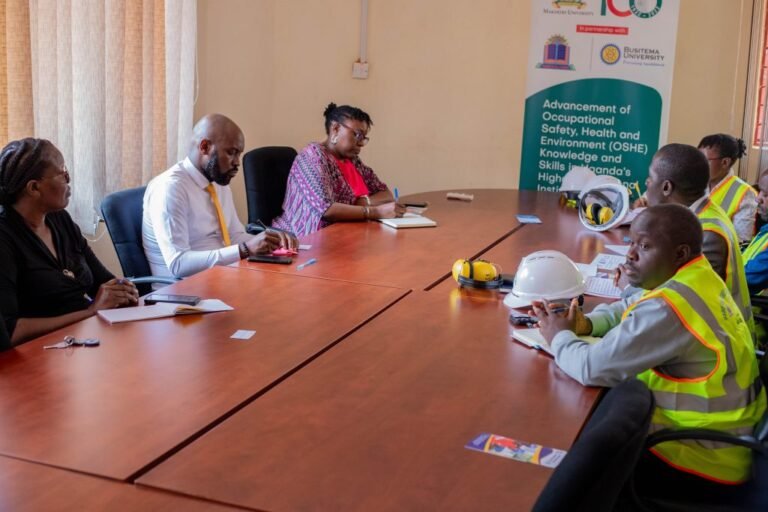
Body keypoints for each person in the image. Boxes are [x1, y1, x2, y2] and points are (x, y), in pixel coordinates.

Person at [534, 204, 765, 486]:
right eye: (631, 242)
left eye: (644, 246)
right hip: (726, 441)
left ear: (679, 253)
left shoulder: (670, 307)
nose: (630, 254)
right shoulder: (697, 274)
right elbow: (632, 305)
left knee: (573, 449)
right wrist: (587, 324)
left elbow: (590, 367)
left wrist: (559, 336)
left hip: (698, 456)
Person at [0, 138, 139, 346]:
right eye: (62, 173)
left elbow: (103, 281)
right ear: (34, 188)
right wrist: (91, 312)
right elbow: (11, 331)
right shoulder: (5, 239)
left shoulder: (60, 220)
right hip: (40, 353)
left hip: (82, 339)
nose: (69, 179)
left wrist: (123, 290)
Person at [143, 114, 297, 278]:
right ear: (204, 147)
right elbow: (178, 263)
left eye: (238, 154)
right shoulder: (171, 189)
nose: (237, 162)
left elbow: (234, 235)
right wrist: (245, 249)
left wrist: (270, 240)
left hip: (223, 276)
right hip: (185, 287)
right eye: (231, 153)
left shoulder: (217, 182)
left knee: (288, 279)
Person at [642, 143, 754, 337]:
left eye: (650, 178)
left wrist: (631, 284)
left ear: (666, 187)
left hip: (722, 341)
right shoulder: (700, 215)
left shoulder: (706, 233)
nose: (646, 183)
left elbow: (675, 299)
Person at [271, 103, 405, 236]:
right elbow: (326, 209)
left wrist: (364, 202)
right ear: (335, 129)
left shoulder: (353, 161)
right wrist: (376, 211)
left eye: (364, 138)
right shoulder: (312, 157)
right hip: (302, 238)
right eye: (357, 135)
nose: (361, 143)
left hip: (346, 233)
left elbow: (385, 194)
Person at [698, 133, 757, 242]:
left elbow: (741, 240)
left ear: (725, 162)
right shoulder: (696, 183)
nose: (698, 165)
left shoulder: (745, 193)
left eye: (704, 160)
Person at [743, 170, 768, 294]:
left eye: (766, 195)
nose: (758, 199)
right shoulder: (765, 229)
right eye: (760, 191)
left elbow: (748, 277)